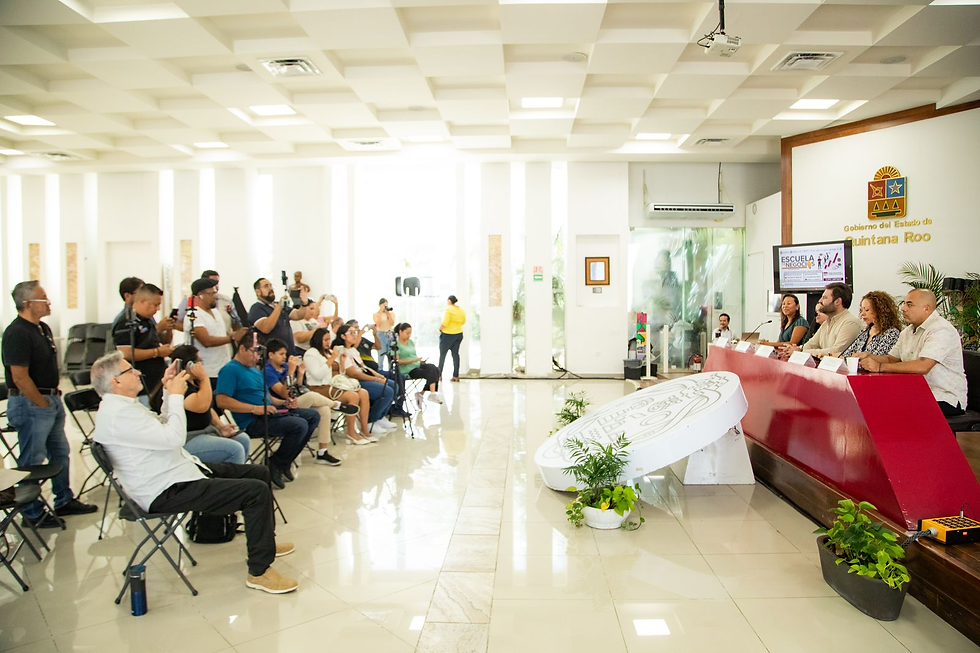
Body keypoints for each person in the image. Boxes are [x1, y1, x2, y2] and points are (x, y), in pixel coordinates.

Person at [90, 351, 298, 594]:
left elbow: (162, 424)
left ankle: (266, 543)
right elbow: (174, 437)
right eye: (130, 370)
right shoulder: (119, 415)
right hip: (165, 489)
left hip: (177, 472)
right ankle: (260, 571)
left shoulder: (122, 407)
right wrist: (177, 396)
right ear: (116, 381)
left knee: (258, 473)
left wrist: (168, 393)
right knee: (255, 492)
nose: (138, 372)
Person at [2, 281, 97, 527]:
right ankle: (32, 512)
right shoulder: (17, 333)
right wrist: (40, 402)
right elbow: (20, 376)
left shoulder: (41, 328)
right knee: (33, 458)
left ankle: (64, 500)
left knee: (60, 453)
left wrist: (49, 400)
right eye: (43, 298)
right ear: (28, 304)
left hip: (49, 399)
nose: (49, 302)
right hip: (31, 403)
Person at [215, 333, 318, 489]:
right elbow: (221, 400)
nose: (257, 357)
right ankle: (275, 463)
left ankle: (283, 462)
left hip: (268, 412)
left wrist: (284, 402)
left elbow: (268, 397)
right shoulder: (230, 370)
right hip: (251, 419)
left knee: (312, 416)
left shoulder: (255, 371)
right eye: (254, 352)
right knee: (298, 425)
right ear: (242, 349)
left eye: (259, 352)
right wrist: (255, 409)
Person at [858, 289, 968, 417]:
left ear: (926, 308)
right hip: (916, 392)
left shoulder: (941, 329)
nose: (903, 309)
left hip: (944, 397)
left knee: (888, 408)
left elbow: (923, 366)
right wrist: (869, 356)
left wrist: (880, 367)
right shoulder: (907, 332)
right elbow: (892, 358)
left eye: (909, 304)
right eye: (903, 304)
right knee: (871, 400)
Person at [263, 338, 353, 463]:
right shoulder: (268, 371)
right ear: (271, 355)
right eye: (281, 354)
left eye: (285, 354)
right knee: (311, 396)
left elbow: (297, 386)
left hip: (294, 401)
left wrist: (300, 373)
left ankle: (322, 452)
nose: (284, 357)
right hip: (281, 406)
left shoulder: (284, 367)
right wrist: (290, 372)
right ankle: (336, 405)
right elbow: (283, 394)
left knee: (324, 410)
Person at [171, 345, 250, 465]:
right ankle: (233, 481)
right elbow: (202, 406)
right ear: (190, 365)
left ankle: (240, 475)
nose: (202, 365)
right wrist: (204, 378)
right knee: (235, 449)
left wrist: (221, 426)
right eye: (199, 361)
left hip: (206, 431)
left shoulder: (196, 384)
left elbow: (209, 409)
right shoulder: (181, 387)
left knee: (243, 439)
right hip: (189, 437)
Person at [112, 283, 174, 412]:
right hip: (141, 382)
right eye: (155, 305)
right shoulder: (125, 322)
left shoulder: (148, 320)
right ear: (143, 301)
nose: (157, 309)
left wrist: (168, 330)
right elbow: (125, 353)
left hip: (156, 379)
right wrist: (157, 352)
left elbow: (158, 341)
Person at [304, 329, 374, 444]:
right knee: (352, 396)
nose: (328, 342)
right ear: (318, 340)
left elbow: (340, 373)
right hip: (319, 388)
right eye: (325, 340)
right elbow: (318, 375)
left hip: (333, 384)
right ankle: (351, 433)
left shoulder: (328, 352)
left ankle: (364, 430)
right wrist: (332, 359)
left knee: (363, 393)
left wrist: (341, 362)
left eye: (328, 340)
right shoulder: (311, 353)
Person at [332, 325, 397, 434]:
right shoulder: (340, 350)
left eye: (355, 332)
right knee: (387, 390)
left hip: (364, 376)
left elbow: (364, 367)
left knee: (394, 385)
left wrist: (378, 375)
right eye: (351, 333)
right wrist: (375, 379)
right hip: (354, 381)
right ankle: (370, 420)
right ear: (343, 336)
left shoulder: (353, 350)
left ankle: (380, 417)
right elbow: (353, 373)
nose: (355, 335)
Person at [186, 277, 247, 385]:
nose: (215, 296)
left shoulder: (216, 312)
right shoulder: (195, 315)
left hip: (223, 366)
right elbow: (206, 341)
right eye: (211, 293)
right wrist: (232, 338)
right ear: (201, 295)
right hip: (208, 370)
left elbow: (220, 334)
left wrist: (237, 334)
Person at [781, 283, 862, 358]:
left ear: (837, 301)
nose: (820, 301)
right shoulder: (827, 323)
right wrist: (797, 349)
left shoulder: (850, 323)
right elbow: (812, 344)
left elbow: (836, 351)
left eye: (824, 298)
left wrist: (801, 352)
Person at [248, 278, 305, 356]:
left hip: (289, 354)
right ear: (258, 292)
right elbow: (266, 328)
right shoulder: (256, 308)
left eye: (271, 285)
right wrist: (279, 307)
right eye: (266, 286)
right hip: (272, 358)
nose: (270, 288)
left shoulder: (278, 305)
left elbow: (298, 315)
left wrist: (304, 303)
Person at [838, 291, 902, 358]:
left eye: (867, 310)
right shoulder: (864, 332)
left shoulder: (891, 333)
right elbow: (847, 354)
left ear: (879, 311)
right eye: (861, 310)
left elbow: (878, 358)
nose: (862, 314)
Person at [394, 322, 443, 406]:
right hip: (408, 369)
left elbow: (413, 355)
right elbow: (398, 361)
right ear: (400, 332)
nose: (409, 335)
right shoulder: (395, 344)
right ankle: (425, 394)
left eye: (410, 333)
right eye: (407, 333)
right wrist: (413, 360)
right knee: (431, 372)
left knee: (435, 369)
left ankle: (428, 394)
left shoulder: (411, 342)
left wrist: (418, 361)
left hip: (417, 364)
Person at [176, 270, 241, 333]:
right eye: (212, 283)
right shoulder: (190, 301)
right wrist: (194, 330)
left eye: (217, 282)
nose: (216, 286)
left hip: (224, 340)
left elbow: (235, 322)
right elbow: (177, 322)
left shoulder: (225, 300)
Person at [439, 295, 466, 382]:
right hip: (458, 334)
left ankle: (439, 375)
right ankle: (456, 376)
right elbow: (463, 321)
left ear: (449, 301)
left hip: (448, 334)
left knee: (442, 355)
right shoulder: (460, 310)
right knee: (455, 355)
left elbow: (445, 322)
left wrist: (440, 328)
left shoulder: (448, 309)